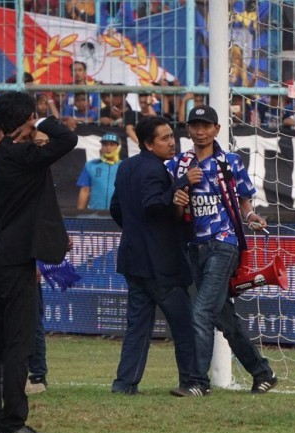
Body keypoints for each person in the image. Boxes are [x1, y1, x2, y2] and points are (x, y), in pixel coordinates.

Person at [0, 92, 77, 433]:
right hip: (17, 262)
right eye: (32, 116)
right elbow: (67, 138)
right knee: (18, 342)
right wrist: (40, 120)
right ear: (26, 118)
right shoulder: (28, 156)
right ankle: (13, 421)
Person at [166, 106, 278, 396]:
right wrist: (180, 193)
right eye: (195, 125)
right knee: (223, 318)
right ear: (188, 129)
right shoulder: (178, 164)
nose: (200, 131)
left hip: (224, 243)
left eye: (206, 126)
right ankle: (262, 372)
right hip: (193, 247)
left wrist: (252, 218)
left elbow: (243, 202)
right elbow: (176, 214)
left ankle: (197, 383)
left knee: (200, 311)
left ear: (217, 129)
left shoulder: (230, 162)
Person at [109, 115, 205, 395]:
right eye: (164, 138)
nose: (171, 142)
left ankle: (124, 383)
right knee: (184, 323)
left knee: (138, 325)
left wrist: (135, 232)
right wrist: (182, 183)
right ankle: (190, 381)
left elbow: (117, 208)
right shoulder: (154, 170)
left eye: (171, 136)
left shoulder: (126, 166)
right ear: (149, 144)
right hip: (158, 264)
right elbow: (153, 205)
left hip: (133, 259)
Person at [0, 117, 50, 395]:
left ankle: (36, 376)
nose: (28, 135)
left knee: (29, 319)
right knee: (4, 323)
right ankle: (11, 378)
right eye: (22, 129)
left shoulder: (23, 167)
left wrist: (37, 256)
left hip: (18, 257)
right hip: (0, 259)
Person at [76, 132, 122, 210]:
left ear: (118, 147)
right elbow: (84, 190)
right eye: (105, 144)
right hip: (96, 214)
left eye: (112, 144)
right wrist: (79, 214)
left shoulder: (124, 166)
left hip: (119, 214)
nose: (108, 147)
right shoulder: (90, 165)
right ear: (101, 146)